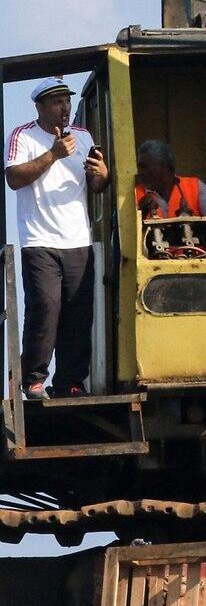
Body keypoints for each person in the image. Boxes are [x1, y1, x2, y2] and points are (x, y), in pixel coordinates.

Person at [4, 76, 109, 399]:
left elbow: (95, 185)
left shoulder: (83, 135)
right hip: (39, 240)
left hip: (77, 238)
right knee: (45, 306)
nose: (65, 108)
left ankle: (70, 382)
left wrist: (102, 176)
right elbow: (13, 178)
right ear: (40, 106)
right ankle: (33, 379)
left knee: (78, 313)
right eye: (57, 102)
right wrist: (52, 154)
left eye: (67, 101)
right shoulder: (23, 135)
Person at [134, 140, 206, 218]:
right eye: (139, 167)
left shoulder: (195, 186)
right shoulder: (135, 194)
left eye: (144, 167)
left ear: (163, 166)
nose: (140, 172)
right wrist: (141, 211)